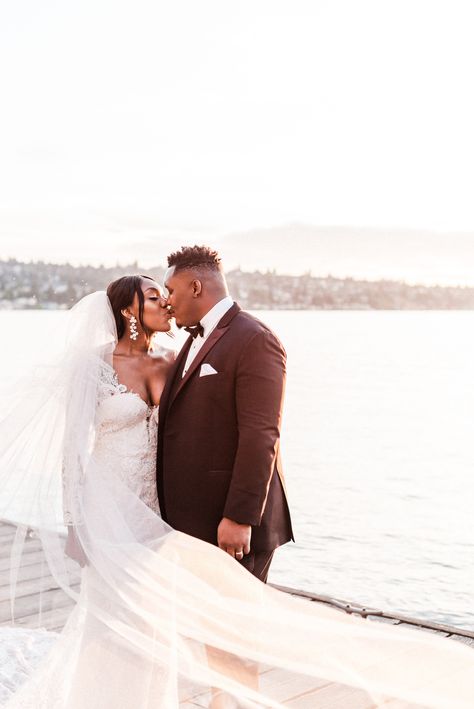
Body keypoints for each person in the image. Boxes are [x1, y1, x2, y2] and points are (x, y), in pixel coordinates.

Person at [0, 270, 473, 709]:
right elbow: (71, 453)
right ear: (128, 311)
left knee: (154, 620)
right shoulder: (94, 366)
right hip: (106, 504)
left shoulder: (174, 359)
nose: (165, 301)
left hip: (157, 509)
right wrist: (74, 523)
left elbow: (213, 426)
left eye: (167, 293)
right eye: (153, 296)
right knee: (109, 617)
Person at [158, 245, 293, 583]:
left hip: (231, 526)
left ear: (196, 288)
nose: (167, 301)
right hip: (195, 522)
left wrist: (239, 517)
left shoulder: (255, 339)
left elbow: (261, 434)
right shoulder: (192, 342)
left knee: (236, 630)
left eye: (171, 290)